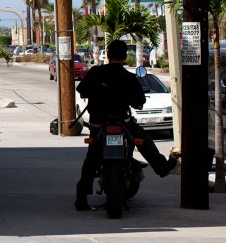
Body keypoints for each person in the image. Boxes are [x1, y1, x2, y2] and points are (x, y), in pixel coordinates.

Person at [74, 39, 177, 211]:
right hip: (123, 122)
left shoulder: (95, 72)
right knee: (143, 140)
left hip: (98, 124)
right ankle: (162, 167)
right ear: (124, 57)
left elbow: (82, 91)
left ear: (108, 55)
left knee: (92, 158)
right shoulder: (129, 77)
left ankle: (82, 197)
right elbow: (139, 104)